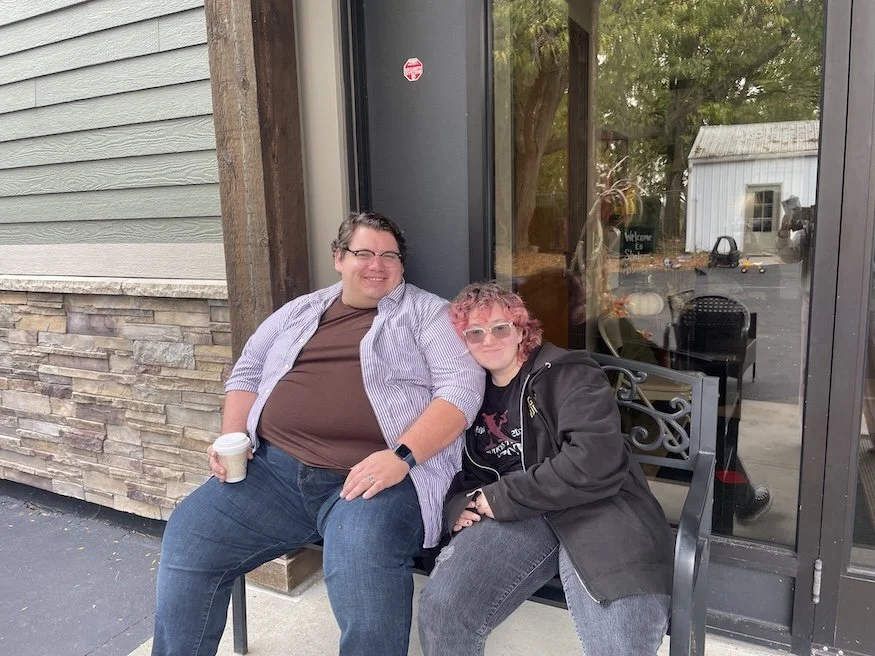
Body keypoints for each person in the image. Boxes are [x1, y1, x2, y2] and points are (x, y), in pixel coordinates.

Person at [151, 211, 485, 656]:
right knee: (190, 536)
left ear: (402, 265)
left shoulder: (428, 315)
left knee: (363, 574)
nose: (377, 264)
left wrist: (401, 456)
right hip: (272, 473)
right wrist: (232, 437)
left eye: (390, 255)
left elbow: (461, 392)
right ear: (338, 258)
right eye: (363, 252)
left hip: (373, 481)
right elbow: (248, 371)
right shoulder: (302, 310)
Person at [418, 282, 673, 656]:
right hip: (518, 518)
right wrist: (459, 506)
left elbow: (595, 461)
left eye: (500, 328)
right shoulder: (470, 396)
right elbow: (466, 476)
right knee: (443, 609)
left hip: (598, 508)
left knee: (618, 643)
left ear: (522, 330)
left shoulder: (567, 373)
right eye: (474, 333)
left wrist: (498, 496)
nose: (487, 340)